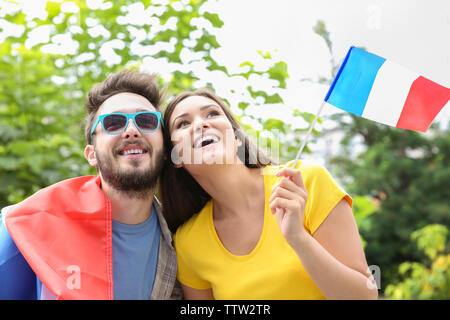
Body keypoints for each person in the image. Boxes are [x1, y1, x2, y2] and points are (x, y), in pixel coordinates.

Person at [159, 89, 378, 300]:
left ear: (236, 139)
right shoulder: (188, 243)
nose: (201, 124)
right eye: (183, 123)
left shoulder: (305, 182)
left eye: (213, 113)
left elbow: (365, 297)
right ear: (175, 156)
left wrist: (298, 238)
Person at [0, 69, 182, 300]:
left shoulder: (183, 237)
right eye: (113, 123)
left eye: (146, 121)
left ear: (165, 149)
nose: (132, 131)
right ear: (91, 154)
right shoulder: (26, 225)